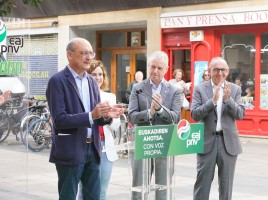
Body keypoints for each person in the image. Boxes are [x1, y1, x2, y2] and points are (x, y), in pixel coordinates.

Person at [46, 37, 123, 200]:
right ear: (69, 55)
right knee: (68, 196)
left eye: (91, 53)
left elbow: (96, 117)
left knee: (93, 197)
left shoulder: (91, 82)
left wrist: (107, 116)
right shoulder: (57, 81)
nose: (89, 57)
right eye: (84, 53)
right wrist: (91, 115)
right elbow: (59, 120)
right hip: (70, 149)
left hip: (93, 149)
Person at [127, 51, 182, 200]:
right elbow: (131, 116)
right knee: (139, 188)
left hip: (164, 144)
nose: (155, 71)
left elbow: (176, 117)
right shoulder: (138, 88)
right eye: (153, 67)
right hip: (142, 144)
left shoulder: (175, 90)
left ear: (166, 69)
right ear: (148, 67)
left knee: (163, 188)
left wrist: (160, 110)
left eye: (159, 68)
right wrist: (150, 112)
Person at [190, 57, 245, 200]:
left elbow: (240, 114)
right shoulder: (199, 89)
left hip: (228, 144)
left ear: (227, 71)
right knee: (202, 184)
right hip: (206, 141)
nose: (220, 73)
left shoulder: (235, 89)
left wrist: (228, 100)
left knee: (226, 186)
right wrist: (212, 102)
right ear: (209, 71)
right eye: (216, 70)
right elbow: (194, 115)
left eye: (223, 70)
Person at [77, 60, 121, 200]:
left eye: (100, 74)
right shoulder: (81, 94)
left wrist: (109, 117)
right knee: (83, 191)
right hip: (87, 145)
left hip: (105, 147)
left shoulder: (110, 97)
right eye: (94, 74)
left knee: (102, 191)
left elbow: (116, 126)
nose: (98, 77)